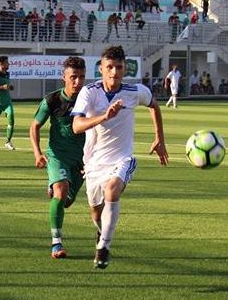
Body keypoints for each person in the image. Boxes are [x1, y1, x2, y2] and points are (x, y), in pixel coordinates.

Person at [71, 45, 168, 269]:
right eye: (110, 67)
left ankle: (103, 247)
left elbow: (154, 105)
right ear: (101, 69)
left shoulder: (135, 92)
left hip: (122, 159)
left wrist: (159, 138)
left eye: (119, 67)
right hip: (94, 162)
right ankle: (101, 232)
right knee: (96, 212)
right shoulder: (90, 92)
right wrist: (105, 116)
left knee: (112, 189)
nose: (114, 71)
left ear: (125, 69)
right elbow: (77, 126)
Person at [30, 57, 87, 259]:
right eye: (73, 77)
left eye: (81, 77)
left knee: (66, 202)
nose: (78, 82)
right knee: (61, 193)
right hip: (57, 155)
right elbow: (34, 126)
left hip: (82, 160)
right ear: (64, 77)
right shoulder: (52, 100)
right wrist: (38, 153)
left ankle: (54, 187)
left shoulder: (90, 99)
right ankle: (56, 243)